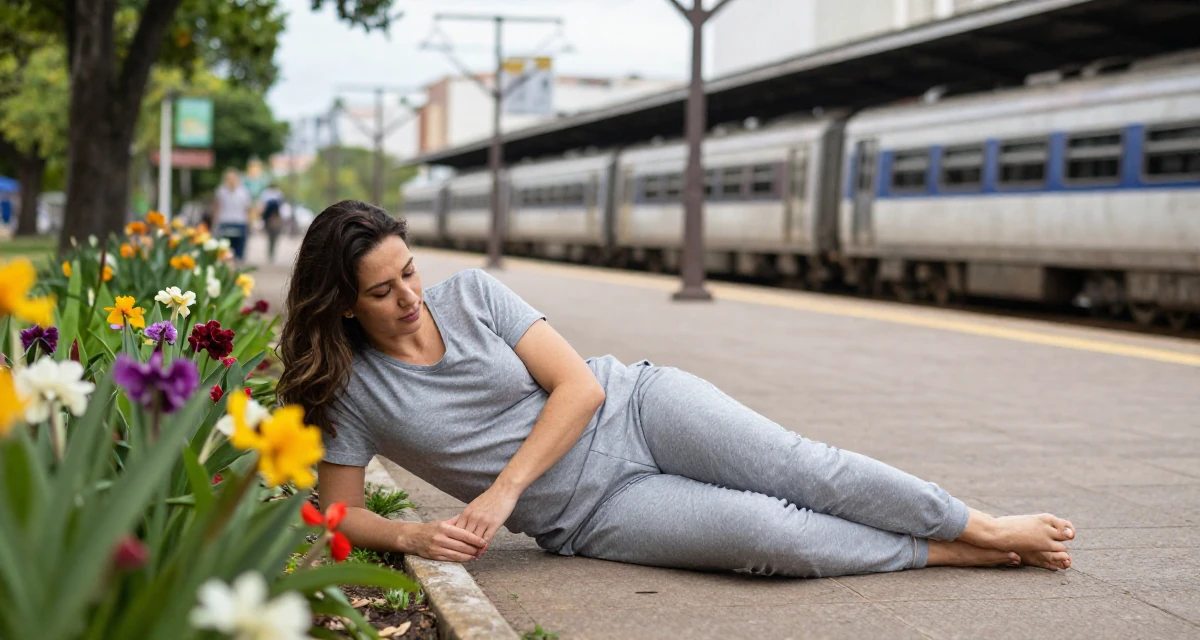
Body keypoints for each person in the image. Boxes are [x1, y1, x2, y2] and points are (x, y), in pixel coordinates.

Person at [277, 200, 1075, 578]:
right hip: (592, 513)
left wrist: (501, 493)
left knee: (803, 468)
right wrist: (415, 537)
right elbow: (335, 511)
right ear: (343, 303)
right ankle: (944, 551)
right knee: (772, 541)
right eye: (381, 290)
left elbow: (578, 389)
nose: (409, 296)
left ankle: (983, 522)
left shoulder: (474, 295)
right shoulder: (351, 393)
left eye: (409, 271)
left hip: (640, 409)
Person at [213, 169, 252, 264]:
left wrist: (249, 224)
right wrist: (214, 223)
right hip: (225, 222)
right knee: (224, 251)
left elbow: (247, 209)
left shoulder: (244, 192)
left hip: (240, 222)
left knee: (239, 251)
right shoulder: (221, 191)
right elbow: (217, 207)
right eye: (229, 178)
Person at [257, 183, 285, 264]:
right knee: (274, 238)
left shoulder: (266, 194)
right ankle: (271, 252)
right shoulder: (279, 194)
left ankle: (270, 252)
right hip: (275, 219)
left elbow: (263, 206)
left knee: (270, 237)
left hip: (268, 219)